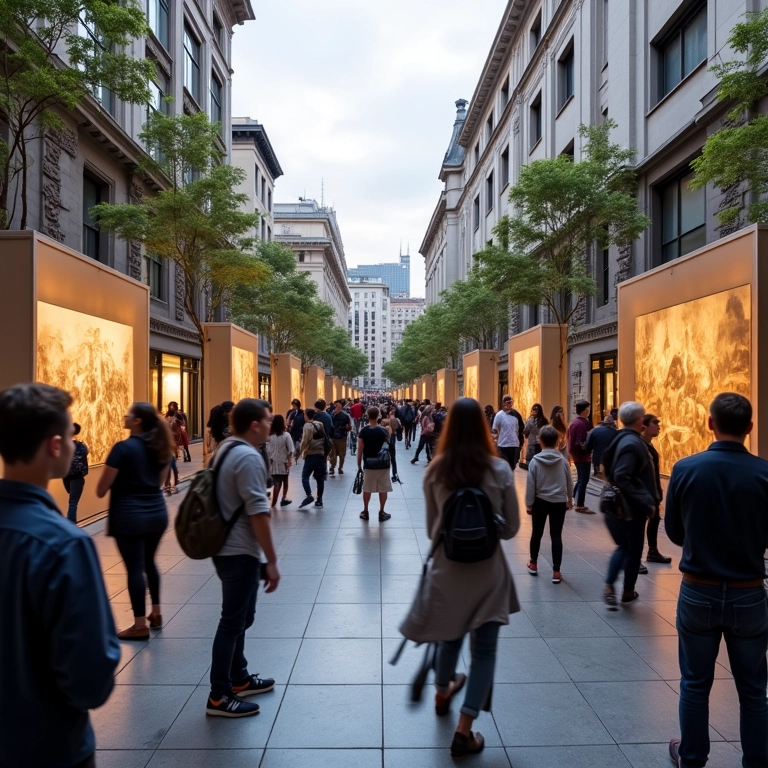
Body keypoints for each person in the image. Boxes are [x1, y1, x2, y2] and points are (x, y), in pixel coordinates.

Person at [0, 383, 120, 768]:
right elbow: (90, 681)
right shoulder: (64, 545)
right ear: (55, 446)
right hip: (47, 747)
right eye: (70, 436)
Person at [400, 398, 520, 757]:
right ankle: (464, 730)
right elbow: (512, 528)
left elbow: (431, 531)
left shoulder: (436, 470)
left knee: (449, 639)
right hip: (488, 573)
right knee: (484, 653)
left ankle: (442, 692)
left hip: (447, 571)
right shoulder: (498, 469)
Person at [664, 393, 768, 768]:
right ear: (750, 428)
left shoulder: (685, 469)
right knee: (753, 688)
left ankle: (692, 757)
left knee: (694, 683)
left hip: (698, 589)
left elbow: (674, 532)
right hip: (748, 592)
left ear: (710, 423)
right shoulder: (764, 473)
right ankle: (757, 759)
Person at [207, 398, 280, 718]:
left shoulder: (225, 449)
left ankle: (239, 677)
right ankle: (219, 695)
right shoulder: (248, 457)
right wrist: (272, 560)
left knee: (241, 619)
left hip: (226, 547)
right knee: (232, 622)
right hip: (238, 551)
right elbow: (258, 512)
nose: (270, 424)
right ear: (255, 425)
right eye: (267, 420)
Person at [96, 402, 172, 639]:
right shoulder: (161, 448)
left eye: (128, 414)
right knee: (150, 562)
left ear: (137, 421)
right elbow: (159, 483)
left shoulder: (122, 449)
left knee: (135, 568)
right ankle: (156, 613)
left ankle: (139, 626)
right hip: (157, 513)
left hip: (128, 516)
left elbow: (101, 489)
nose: (124, 417)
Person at [601, 401, 657, 610]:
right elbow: (622, 475)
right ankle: (617, 588)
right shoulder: (632, 443)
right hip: (628, 507)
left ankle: (626, 590)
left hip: (618, 503)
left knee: (629, 548)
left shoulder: (619, 438)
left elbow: (608, 467)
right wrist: (645, 501)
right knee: (630, 548)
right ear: (640, 420)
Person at [526, 425, 573, 583]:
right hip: (559, 502)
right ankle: (556, 571)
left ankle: (533, 563)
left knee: (536, 533)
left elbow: (531, 484)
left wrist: (529, 503)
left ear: (540, 442)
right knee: (556, 535)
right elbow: (569, 482)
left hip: (540, 501)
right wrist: (570, 499)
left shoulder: (535, 461)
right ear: (557, 442)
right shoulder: (563, 461)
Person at [641, 413, 672, 565]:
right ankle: (635, 558)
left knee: (655, 519)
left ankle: (652, 551)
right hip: (645, 492)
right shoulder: (640, 446)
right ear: (644, 427)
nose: (659, 427)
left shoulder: (648, 445)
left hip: (652, 491)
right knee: (640, 524)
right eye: (655, 423)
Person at [357, 406, 393, 521]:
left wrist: (359, 464)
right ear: (378, 416)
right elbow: (389, 447)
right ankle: (381, 512)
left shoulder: (363, 431)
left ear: (367, 416)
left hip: (369, 463)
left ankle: (365, 511)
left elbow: (360, 449)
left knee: (367, 487)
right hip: (383, 463)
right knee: (383, 488)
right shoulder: (384, 430)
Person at [567, 400, 593, 513]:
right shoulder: (581, 424)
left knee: (581, 479)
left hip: (578, 455)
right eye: (588, 408)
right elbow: (580, 442)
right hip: (582, 456)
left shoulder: (575, 422)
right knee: (584, 479)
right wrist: (586, 450)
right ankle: (579, 504)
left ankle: (573, 498)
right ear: (585, 410)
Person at [299, 408, 327, 509]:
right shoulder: (319, 424)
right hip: (321, 453)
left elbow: (305, 441)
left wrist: (301, 451)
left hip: (311, 453)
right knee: (320, 478)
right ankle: (319, 500)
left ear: (306, 415)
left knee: (305, 476)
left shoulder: (307, 426)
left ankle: (309, 495)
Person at [63, 422, 89, 523]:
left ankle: (70, 521)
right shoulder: (82, 446)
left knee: (72, 500)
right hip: (78, 477)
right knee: (73, 502)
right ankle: (71, 524)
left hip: (66, 476)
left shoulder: (63, 446)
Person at [266, 414, 293, 509]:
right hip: (283, 461)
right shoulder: (286, 435)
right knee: (285, 480)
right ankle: (283, 498)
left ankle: (274, 502)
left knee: (276, 481)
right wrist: (289, 460)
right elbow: (290, 449)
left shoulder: (269, 436)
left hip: (272, 461)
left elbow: (267, 449)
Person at [492, 395, 525, 471]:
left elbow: (520, 428)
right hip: (502, 445)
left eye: (511, 402)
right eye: (508, 402)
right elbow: (495, 430)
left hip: (514, 445)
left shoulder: (516, 414)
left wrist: (520, 442)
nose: (510, 405)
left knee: (512, 466)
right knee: (504, 466)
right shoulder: (499, 415)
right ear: (503, 403)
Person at [328, 399, 351, 475]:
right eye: (335, 405)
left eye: (336, 405)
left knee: (342, 454)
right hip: (333, 437)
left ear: (340, 406)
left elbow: (348, 427)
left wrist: (344, 428)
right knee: (332, 453)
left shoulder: (345, 416)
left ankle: (340, 467)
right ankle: (332, 466)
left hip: (341, 437)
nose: (335, 406)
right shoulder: (331, 415)